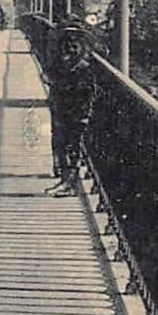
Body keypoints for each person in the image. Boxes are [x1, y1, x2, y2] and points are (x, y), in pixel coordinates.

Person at [44, 21, 97, 193]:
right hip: (63, 103)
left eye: (73, 38)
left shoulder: (83, 63)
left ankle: (70, 182)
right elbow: (50, 72)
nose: (70, 43)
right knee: (63, 141)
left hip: (76, 105)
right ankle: (66, 178)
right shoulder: (64, 54)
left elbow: (85, 87)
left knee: (72, 143)